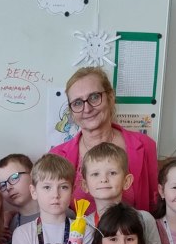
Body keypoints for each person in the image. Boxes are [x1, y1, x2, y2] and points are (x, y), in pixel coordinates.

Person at [50, 66, 159, 213]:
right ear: (71, 111)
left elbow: (155, 205)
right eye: (77, 103)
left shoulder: (145, 145)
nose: (87, 109)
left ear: (110, 98)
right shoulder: (57, 156)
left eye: (94, 97)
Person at [79, 141, 167, 244]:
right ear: (85, 185)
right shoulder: (82, 226)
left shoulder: (144, 219)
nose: (104, 179)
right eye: (95, 174)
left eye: (112, 173)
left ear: (127, 181)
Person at [10, 153, 88, 244]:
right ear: (33, 192)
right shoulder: (22, 234)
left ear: (72, 191)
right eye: (47, 187)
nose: (55, 195)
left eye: (63, 187)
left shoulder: (85, 231)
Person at [0, 152, 36, 244]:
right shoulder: (7, 228)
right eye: (2, 185)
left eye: (14, 177)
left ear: (33, 174)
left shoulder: (60, 214)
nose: (8, 187)